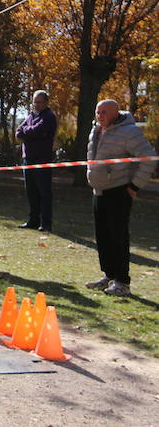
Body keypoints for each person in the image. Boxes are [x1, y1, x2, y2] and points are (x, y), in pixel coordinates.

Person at [85, 99, 156, 297]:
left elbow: (149, 159)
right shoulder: (96, 130)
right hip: (98, 190)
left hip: (118, 191)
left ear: (116, 113)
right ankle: (109, 276)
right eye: (98, 112)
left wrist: (134, 187)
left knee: (118, 237)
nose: (100, 116)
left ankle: (123, 282)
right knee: (103, 237)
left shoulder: (129, 131)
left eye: (104, 112)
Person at [15, 90, 57, 232]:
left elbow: (38, 130)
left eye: (39, 102)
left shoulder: (49, 117)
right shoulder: (31, 116)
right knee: (31, 191)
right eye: (35, 102)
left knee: (44, 192)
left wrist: (29, 132)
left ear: (46, 102)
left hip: (42, 159)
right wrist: (30, 132)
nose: (36, 105)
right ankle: (33, 221)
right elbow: (18, 132)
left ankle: (46, 223)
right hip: (28, 159)